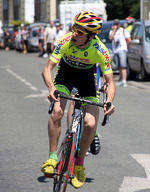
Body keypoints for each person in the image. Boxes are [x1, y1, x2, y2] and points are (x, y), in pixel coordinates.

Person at [41, 11, 116, 189]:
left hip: (87, 79)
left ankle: (80, 164)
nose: (74, 33)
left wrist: (110, 101)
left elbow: (110, 82)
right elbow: (47, 69)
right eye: (74, 28)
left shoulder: (100, 50)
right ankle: (52, 157)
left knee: (90, 123)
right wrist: (51, 89)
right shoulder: (66, 41)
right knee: (57, 111)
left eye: (79, 31)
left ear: (90, 36)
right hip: (65, 75)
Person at [109, 19, 131, 87]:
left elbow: (129, 40)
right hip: (115, 50)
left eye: (117, 24)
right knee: (119, 66)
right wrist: (114, 30)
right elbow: (110, 38)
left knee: (123, 65)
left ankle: (124, 80)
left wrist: (125, 47)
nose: (115, 25)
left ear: (119, 25)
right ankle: (121, 79)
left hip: (122, 49)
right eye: (114, 24)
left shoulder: (123, 31)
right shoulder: (112, 31)